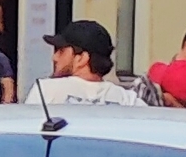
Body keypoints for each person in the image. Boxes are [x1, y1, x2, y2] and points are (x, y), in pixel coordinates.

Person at [27, 19, 158, 109]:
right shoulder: (129, 102)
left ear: (82, 58)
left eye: (61, 51)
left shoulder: (45, 91)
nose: (54, 57)